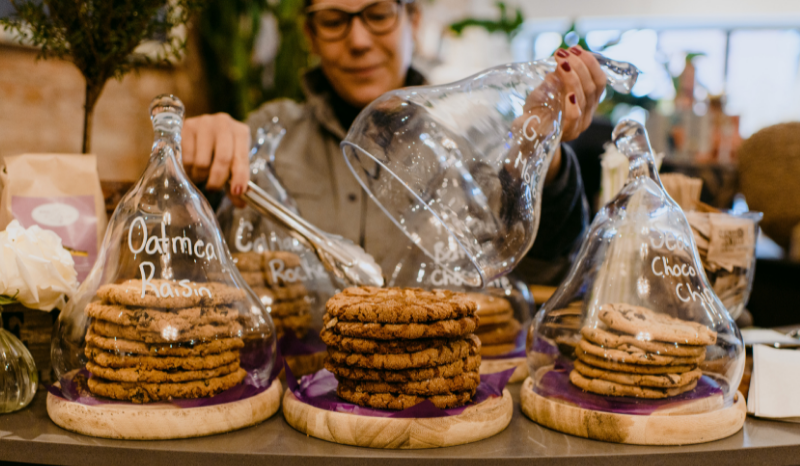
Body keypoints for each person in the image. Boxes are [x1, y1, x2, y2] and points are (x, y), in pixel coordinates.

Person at [184, 0, 607, 282]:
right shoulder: (265, 135)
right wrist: (192, 169)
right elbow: (192, 263)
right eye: (334, 20)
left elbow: (545, 268)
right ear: (310, 36)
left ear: (414, 22)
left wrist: (539, 157)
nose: (359, 41)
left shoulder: (469, 147)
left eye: (379, 13)